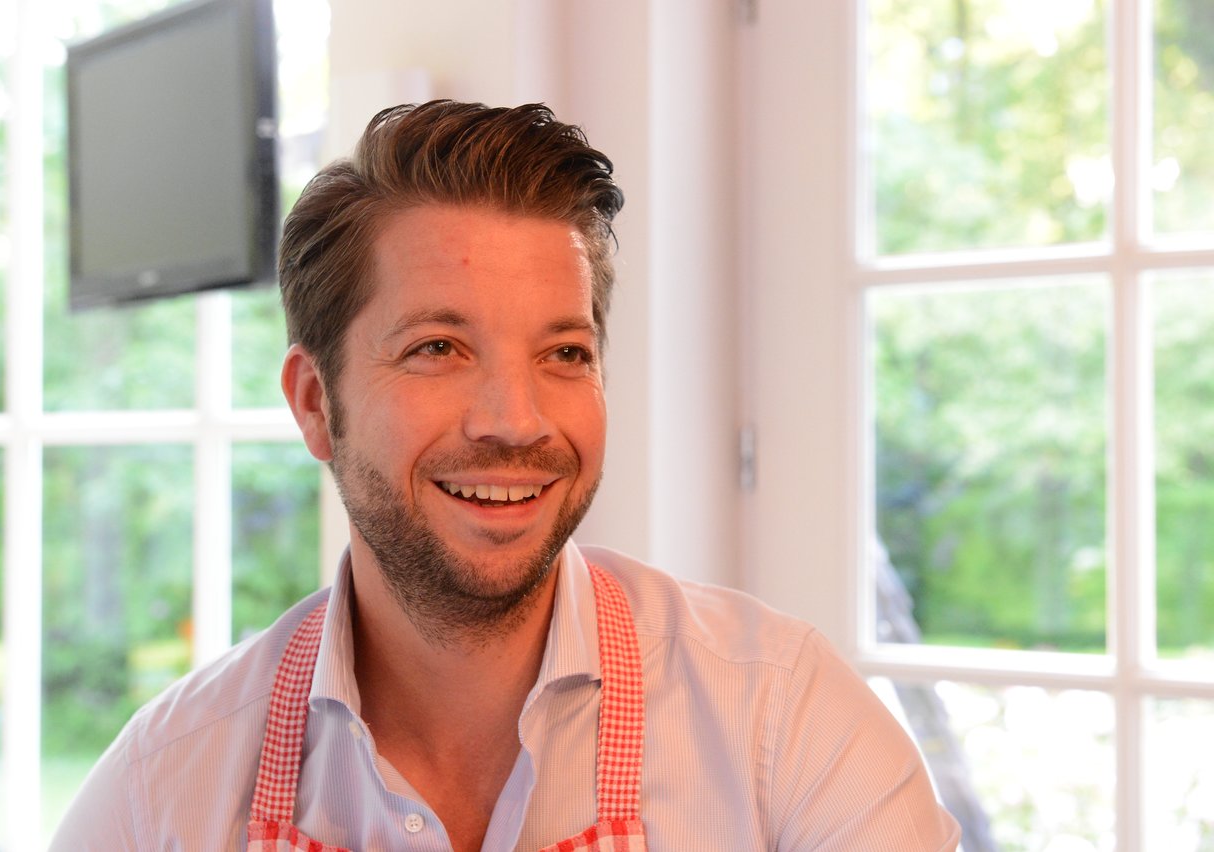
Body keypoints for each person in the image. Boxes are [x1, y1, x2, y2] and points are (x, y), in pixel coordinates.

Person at [51, 100, 960, 851]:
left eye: (565, 352)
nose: (515, 422)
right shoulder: (162, 791)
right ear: (316, 405)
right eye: (437, 348)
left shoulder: (781, 720)